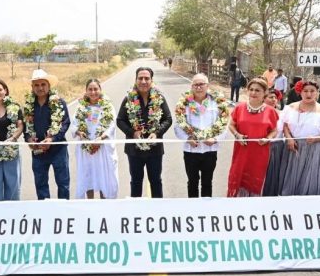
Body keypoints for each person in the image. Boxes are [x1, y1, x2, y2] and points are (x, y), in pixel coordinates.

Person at [117, 67, 173, 198]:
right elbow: (120, 120)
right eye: (140, 78)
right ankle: (136, 209)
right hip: (134, 150)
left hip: (155, 149)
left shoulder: (159, 98)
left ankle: (157, 208)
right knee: (136, 182)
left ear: (151, 80)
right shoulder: (128, 99)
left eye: (146, 78)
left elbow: (168, 119)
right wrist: (132, 133)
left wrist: (157, 133)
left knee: (156, 181)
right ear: (135, 80)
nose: (143, 81)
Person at [174, 73, 230, 198]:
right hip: (190, 151)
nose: (198, 87)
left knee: (207, 182)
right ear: (191, 86)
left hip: (210, 150)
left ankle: (206, 208)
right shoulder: (184, 103)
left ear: (207, 86)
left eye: (201, 84)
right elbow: (178, 126)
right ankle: (193, 207)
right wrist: (187, 138)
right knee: (192, 182)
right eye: (195, 85)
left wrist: (215, 139)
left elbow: (224, 124)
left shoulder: (217, 103)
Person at [280, 80, 320, 195]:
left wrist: (316, 139)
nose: (309, 94)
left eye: (312, 91)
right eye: (305, 91)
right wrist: (289, 138)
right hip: (294, 146)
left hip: (314, 147)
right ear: (300, 92)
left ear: (317, 92)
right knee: (293, 175)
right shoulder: (291, 107)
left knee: (311, 177)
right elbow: (285, 125)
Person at [24, 69, 71, 200]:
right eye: (36, 85)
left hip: (58, 150)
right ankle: (45, 209)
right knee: (41, 184)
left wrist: (52, 139)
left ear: (49, 85)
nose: (40, 88)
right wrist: (29, 139)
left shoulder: (59, 102)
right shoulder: (28, 105)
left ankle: (63, 209)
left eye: (43, 84)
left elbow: (65, 123)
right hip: (38, 151)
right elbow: (26, 127)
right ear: (32, 87)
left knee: (63, 183)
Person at [227, 78, 278, 197]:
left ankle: (253, 204)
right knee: (238, 177)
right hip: (241, 151)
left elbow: (274, 131)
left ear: (265, 92)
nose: (253, 93)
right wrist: (237, 135)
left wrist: (268, 138)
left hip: (260, 152)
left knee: (255, 180)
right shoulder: (239, 108)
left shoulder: (271, 111)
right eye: (251, 89)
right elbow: (231, 125)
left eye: (257, 90)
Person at [70, 79, 119, 199]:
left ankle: (103, 203)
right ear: (86, 91)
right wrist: (79, 132)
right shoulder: (81, 107)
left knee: (103, 176)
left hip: (102, 147)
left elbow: (112, 125)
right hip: (86, 148)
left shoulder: (107, 106)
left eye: (95, 89)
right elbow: (74, 124)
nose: (93, 92)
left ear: (100, 90)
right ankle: (90, 203)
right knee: (88, 175)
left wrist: (101, 138)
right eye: (90, 89)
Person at [262, 88, 286, 196]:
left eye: (275, 97)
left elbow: (286, 129)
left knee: (274, 173)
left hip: (277, 147)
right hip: (263, 146)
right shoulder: (259, 113)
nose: (273, 100)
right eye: (270, 97)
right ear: (263, 98)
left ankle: (271, 195)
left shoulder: (282, 114)